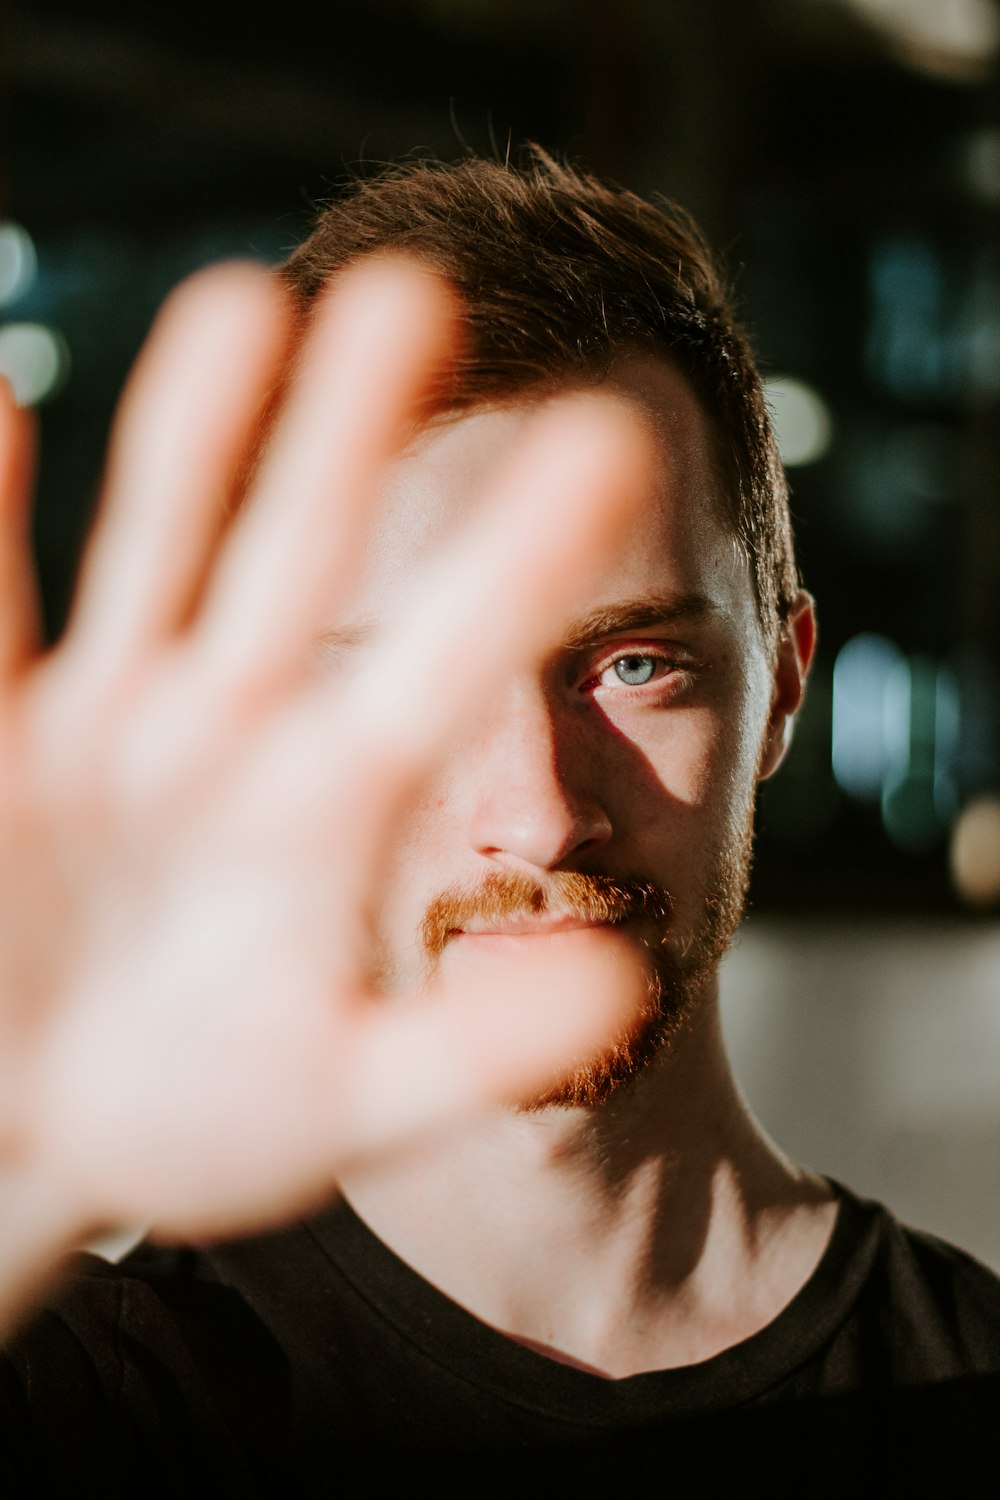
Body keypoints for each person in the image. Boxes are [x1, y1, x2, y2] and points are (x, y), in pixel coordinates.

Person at [0, 153, 997, 1486]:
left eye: (634, 665)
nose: (538, 817)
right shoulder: (99, 1399)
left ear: (784, 687)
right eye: (418, 690)